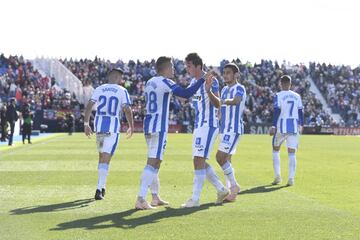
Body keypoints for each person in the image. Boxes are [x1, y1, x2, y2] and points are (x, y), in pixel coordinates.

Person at [135, 56, 206, 210]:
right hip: (159, 126)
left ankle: (154, 197)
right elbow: (185, 94)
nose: (174, 70)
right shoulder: (165, 82)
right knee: (152, 162)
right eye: (172, 67)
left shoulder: (149, 82)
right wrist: (202, 80)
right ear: (166, 68)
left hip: (149, 125)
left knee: (156, 161)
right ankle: (140, 198)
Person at [181, 53, 229, 208]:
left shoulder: (211, 80)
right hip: (199, 125)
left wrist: (209, 91)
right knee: (199, 160)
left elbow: (218, 104)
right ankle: (221, 189)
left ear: (197, 66)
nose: (187, 69)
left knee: (198, 160)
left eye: (189, 66)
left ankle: (195, 199)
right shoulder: (193, 82)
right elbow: (186, 98)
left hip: (209, 125)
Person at [84, 68, 134, 200]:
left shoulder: (99, 88)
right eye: (121, 78)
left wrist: (86, 123)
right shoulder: (122, 90)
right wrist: (131, 126)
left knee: (102, 157)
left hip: (100, 127)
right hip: (112, 128)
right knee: (106, 158)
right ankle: (99, 188)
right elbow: (127, 109)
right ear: (117, 77)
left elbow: (90, 104)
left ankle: (102, 185)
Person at [206, 63, 245, 201]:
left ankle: (234, 186)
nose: (225, 75)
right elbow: (221, 110)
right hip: (224, 129)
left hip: (233, 129)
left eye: (228, 72)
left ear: (236, 75)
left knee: (220, 157)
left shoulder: (239, 88)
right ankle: (231, 193)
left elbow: (236, 101)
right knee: (226, 160)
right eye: (224, 73)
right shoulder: (223, 90)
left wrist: (223, 101)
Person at [269, 75, 304, 186]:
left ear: (281, 83)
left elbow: (277, 110)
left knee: (275, 150)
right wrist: (301, 124)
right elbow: (300, 112)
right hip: (293, 127)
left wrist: (273, 125)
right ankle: (291, 178)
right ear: (290, 84)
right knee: (292, 153)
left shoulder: (278, 95)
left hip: (281, 126)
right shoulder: (297, 96)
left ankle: (278, 176)